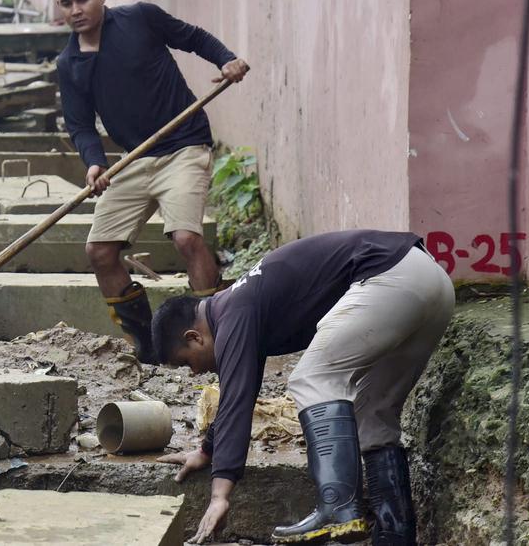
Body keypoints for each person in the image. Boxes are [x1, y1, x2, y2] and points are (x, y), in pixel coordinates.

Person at [153, 230, 453, 544]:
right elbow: (237, 393)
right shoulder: (238, 306)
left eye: (188, 362)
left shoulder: (234, 312)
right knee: (373, 413)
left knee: (312, 377)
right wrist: (206, 450)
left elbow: (237, 400)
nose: (195, 371)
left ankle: (338, 507)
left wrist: (219, 495)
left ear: (194, 337)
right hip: (430, 280)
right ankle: (395, 536)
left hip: (390, 278)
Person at [50, 0, 249, 364]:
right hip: (133, 160)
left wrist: (226, 59)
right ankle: (147, 345)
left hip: (184, 145)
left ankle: (217, 338)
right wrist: (93, 164)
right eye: (66, 3)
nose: (75, 10)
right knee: (99, 251)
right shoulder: (69, 65)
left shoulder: (141, 18)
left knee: (186, 238)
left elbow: (192, 38)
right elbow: (81, 126)